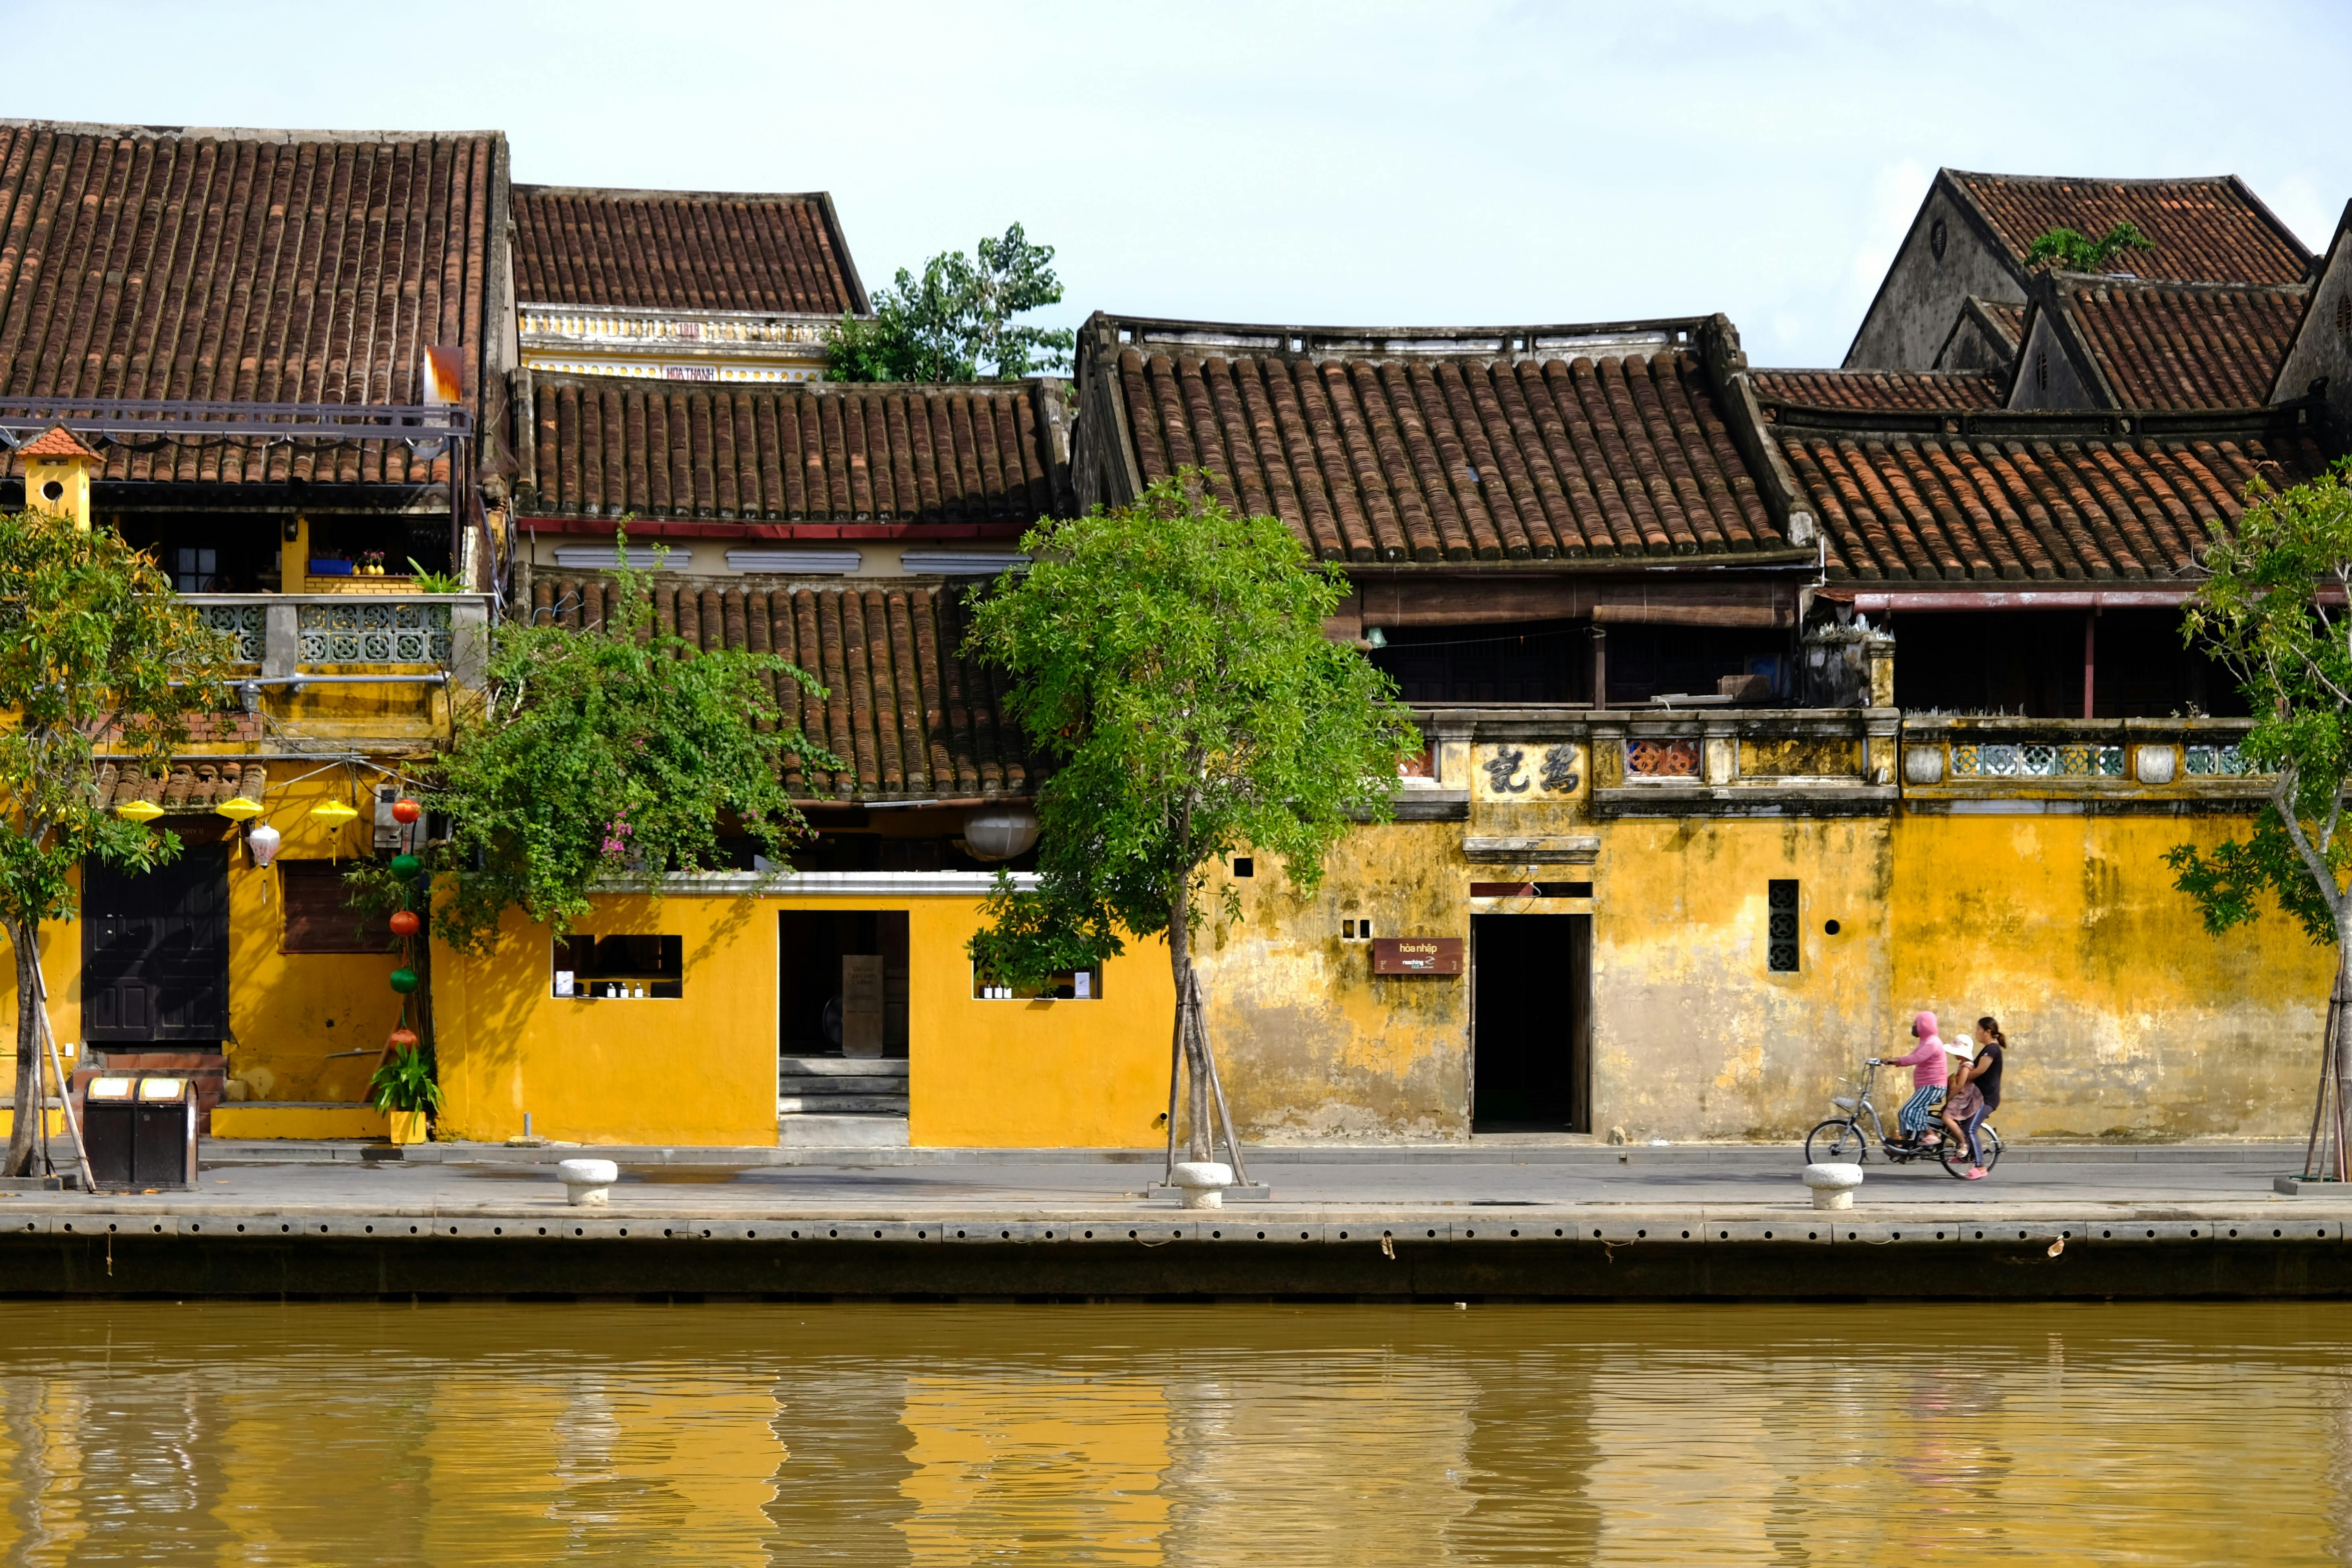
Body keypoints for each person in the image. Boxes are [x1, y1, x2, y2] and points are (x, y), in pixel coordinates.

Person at [1871, 1011, 1949, 1146]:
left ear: (1924, 1025)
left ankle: (1932, 1135)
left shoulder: (1933, 1043)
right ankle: (1904, 1146)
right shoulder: (1925, 1042)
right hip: (1926, 1086)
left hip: (1933, 1086)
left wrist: (1894, 1060)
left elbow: (1915, 1059)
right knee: (1903, 1114)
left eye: (1916, 1024)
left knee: (1908, 1111)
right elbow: (1913, 1056)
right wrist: (1893, 1062)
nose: (1915, 1027)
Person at [1955, 1016, 2007, 1180]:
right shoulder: (1987, 1049)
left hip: (1987, 1098)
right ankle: (1969, 1154)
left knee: (1971, 1128)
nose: (1976, 1033)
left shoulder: (1992, 1050)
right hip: (1979, 1097)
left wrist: (1962, 1079)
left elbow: (1980, 1071)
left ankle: (1981, 1167)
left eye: (1978, 1030)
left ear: (1988, 1032)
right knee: (1964, 1124)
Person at [1937, 1037, 1980, 1152]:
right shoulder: (1963, 1065)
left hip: (1963, 1097)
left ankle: (1963, 1143)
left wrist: (1951, 1096)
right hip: (1960, 1095)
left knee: (1946, 1117)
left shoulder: (1967, 1066)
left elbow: (1961, 1085)